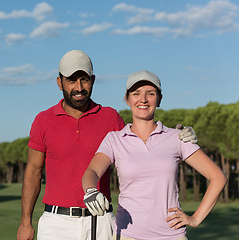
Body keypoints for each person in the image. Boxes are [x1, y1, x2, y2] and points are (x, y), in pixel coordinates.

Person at [16, 51, 198, 240]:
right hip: (56, 222)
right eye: (71, 80)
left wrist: (177, 136)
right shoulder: (43, 120)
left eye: (84, 80)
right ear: (59, 82)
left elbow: (142, 141)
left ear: (93, 80)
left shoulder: (110, 117)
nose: (79, 87)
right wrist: (25, 222)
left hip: (101, 221)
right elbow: (33, 172)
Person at [82, 70, 227, 240]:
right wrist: (91, 190)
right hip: (128, 235)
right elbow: (91, 172)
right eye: (136, 93)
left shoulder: (177, 137)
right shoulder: (114, 139)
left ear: (159, 99)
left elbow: (218, 177)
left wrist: (195, 219)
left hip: (172, 236)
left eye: (150, 93)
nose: (143, 99)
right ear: (127, 99)